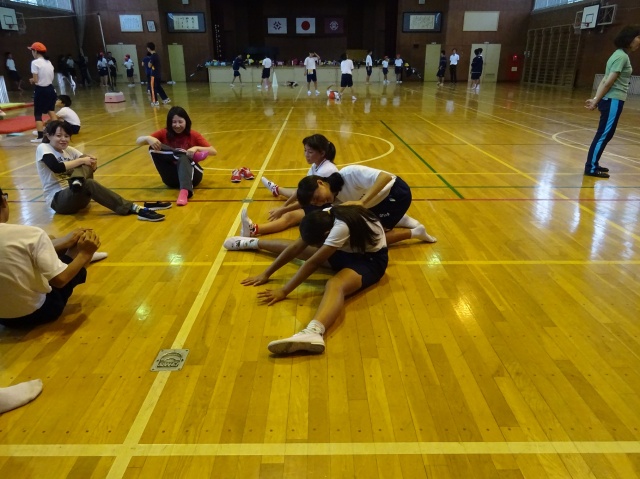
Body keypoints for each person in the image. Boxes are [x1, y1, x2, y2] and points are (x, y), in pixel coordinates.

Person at [225, 205, 389, 355]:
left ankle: (314, 332)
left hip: (371, 260)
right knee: (294, 248)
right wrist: (266, 273)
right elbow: (296, 248)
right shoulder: (323, 218)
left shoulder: (340, 227)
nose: (316, 247)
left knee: (335, 284)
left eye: (318, 244)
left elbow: (313, 263)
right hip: (348, 253)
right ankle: (251, 242)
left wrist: (284, 290)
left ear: (326, 235)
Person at [0, 186, 103, 328]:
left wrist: (64, 241)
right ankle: (77, 254)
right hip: (38, 312)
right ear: (3, 201)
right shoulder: (31, 234)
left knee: (49, 239)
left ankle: (62, 248)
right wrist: (85, 254)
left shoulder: (29, 236)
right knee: (72, 252)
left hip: (2, 318)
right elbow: (60, 281)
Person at [36, 120, 168, 221]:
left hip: (78, 195)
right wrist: (83, 161)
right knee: (85, 169)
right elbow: (56, 167)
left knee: (86, 158)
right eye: (59, 135)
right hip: (59, 200)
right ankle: (132, 207)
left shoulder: (68, 150)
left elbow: (90, 161)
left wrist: (92, 163)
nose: (64, 139)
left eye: (66, 136)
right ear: (49, 135)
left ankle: (77, 181)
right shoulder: (44, 147)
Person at [296, 165, 437, 244]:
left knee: (372, 239)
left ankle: (416, 232)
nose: (320, 202)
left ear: (320, 183)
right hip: (373, 204)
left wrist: (362, 202)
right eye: (315, 203)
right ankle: (400, 219)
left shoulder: (349, 173)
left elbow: (386, 177)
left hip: (396, 194)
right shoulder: (334, 200)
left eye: (317, 197)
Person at [243, 134, 338, 237]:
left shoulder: (325, 170)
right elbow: (302, 192)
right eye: (305, 150)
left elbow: (306, 199)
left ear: (322, 153)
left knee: (289, 216)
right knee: (296, 192)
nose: (306, 154)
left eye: (310, 152)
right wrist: (284, 206)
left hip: (329, 205)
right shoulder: (317, 165)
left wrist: (283, 209)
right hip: (321, 201)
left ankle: (253, 229)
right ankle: (277, 189)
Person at [584, 25, 640, 179]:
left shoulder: (618, 55)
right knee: (604, 134)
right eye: (638, 37)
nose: (639, 41)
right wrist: (596, 100)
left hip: (611, 100)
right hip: (613, 100)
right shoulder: (621, 57)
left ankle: (594, 163)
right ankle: (591, 167)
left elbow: (605, 79)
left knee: (605, 134)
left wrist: (596, 99)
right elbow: (608, 82)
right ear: (629, 39)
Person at [136, 106, 217, 206]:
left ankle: (184, 192)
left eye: (180, 122)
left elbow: (213, 151)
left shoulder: (193, 134)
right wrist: (148, 138)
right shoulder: (163, 133)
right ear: (170, 123)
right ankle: (185, 154)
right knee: (153, 148)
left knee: (183, 158)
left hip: (193, 177)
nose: (177, 125)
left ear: (186, 121)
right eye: (174, 122)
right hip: (171, 179)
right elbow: (138, 142)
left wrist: (196, 148)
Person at [28, 42, 58, 144]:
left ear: (35, 51)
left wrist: (32, 80)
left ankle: (40, 136)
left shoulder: (35, 63)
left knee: (38, 113)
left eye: (32, 50)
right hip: (50, 89)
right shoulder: (48, 62)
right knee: (51, 111)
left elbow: (36, 80)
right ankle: (57, 132)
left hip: (41, 90)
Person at [147, 42, 171, 106]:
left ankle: (155, 101)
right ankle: (165, 98)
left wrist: (149, 62)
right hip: (158, 74)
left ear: (149, 48)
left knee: (153, 87)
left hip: (154, 75)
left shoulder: (153, 56)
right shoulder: (156, 55)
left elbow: (149, 65)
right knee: (158, 87)